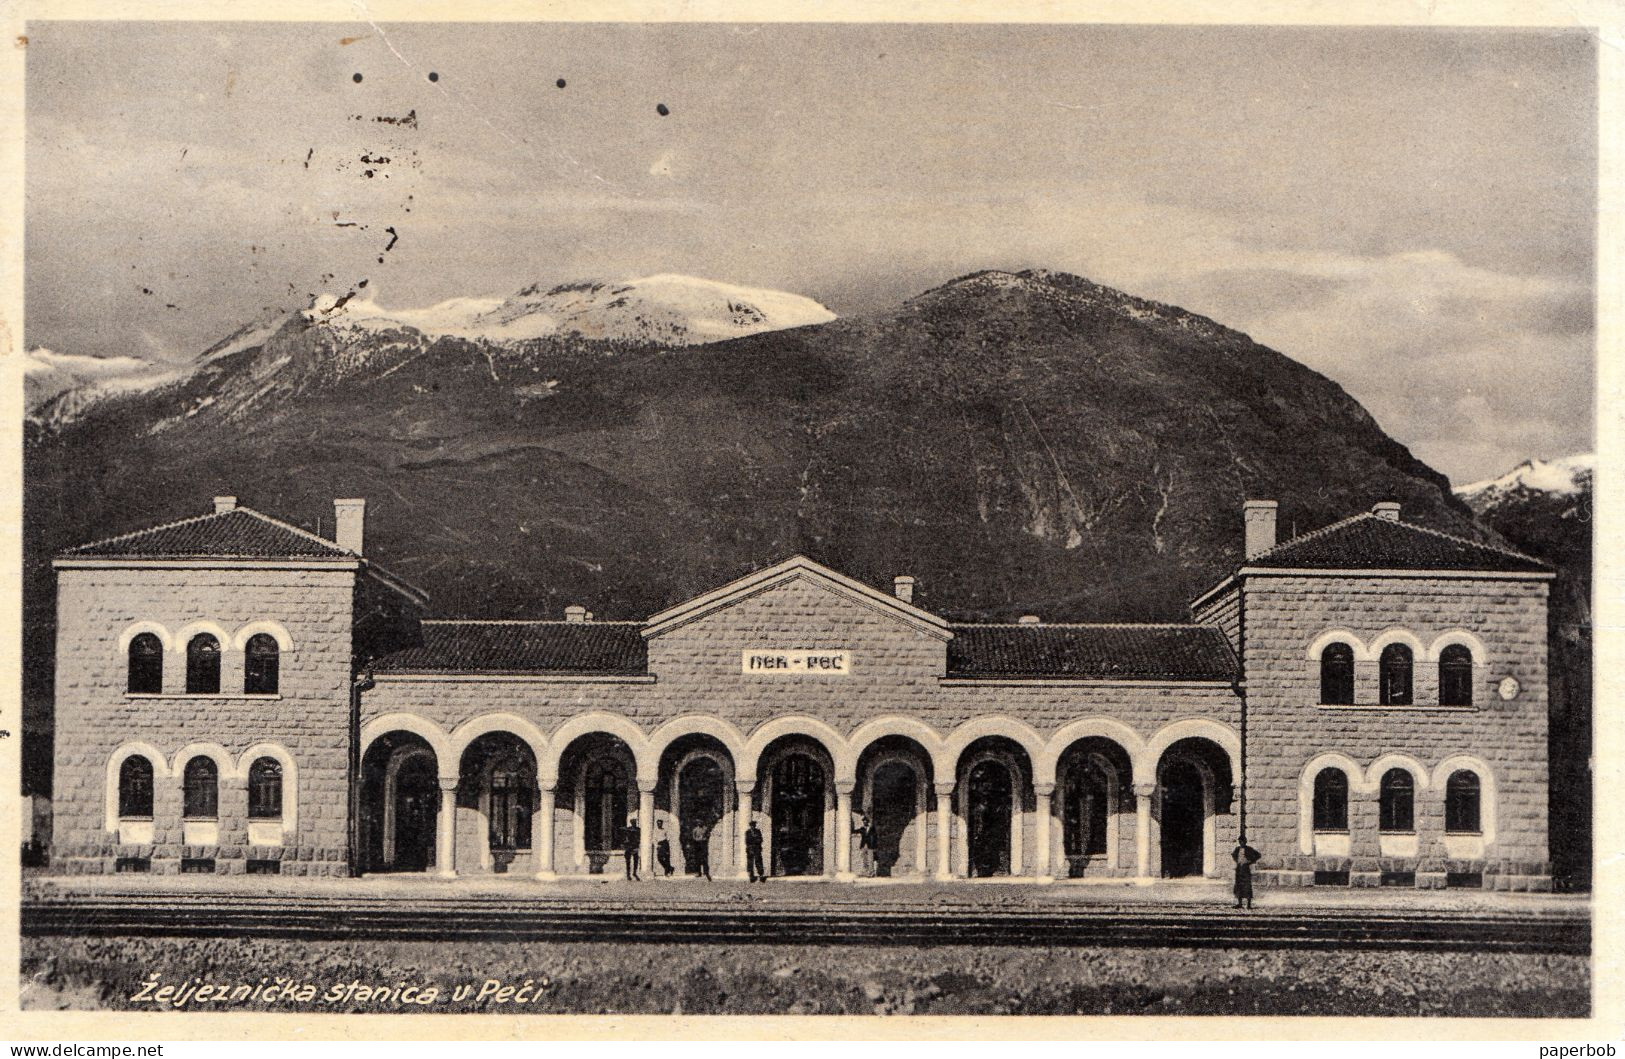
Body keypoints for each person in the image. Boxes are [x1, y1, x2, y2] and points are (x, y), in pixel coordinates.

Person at [1232, 835, 1261, 910]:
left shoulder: (1249, 849)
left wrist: (1250, 861)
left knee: (1247, 886)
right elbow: (1233, 855)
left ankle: (1248, 904)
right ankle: (1239, 903)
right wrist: (1237, 861)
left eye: (1242, 841)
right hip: (1239, 869)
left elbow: (1258, 855)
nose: (1241, 843)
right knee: (1238, 886)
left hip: (1245, 870)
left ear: (1245, 841)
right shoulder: (1237, 849)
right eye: (1240, 842)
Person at [744, 816, 767, 883]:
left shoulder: (758, 831)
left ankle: (761, 875)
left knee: (758, 861)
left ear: (755, 825)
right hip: (750, 849)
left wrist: (755, 841)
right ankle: (751, 876)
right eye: (751, 825)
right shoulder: (747, 832)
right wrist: (754, 841)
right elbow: (747, 841)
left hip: (757, 848)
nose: (753, 827)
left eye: (754, 825)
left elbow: (760, 839)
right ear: (750, 826)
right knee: (750, 863)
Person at [622, 814, 641, 881]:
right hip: (628, 847)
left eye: (635, 822)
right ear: (631, 822)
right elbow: (624, 836)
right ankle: (628, 874)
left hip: (635, 847)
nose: (634, 823)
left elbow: (639, 838)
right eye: (633, 822)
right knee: (628, 862)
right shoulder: (628, 829)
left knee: (635, 861)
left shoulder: (638, 829)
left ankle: (634, 873)